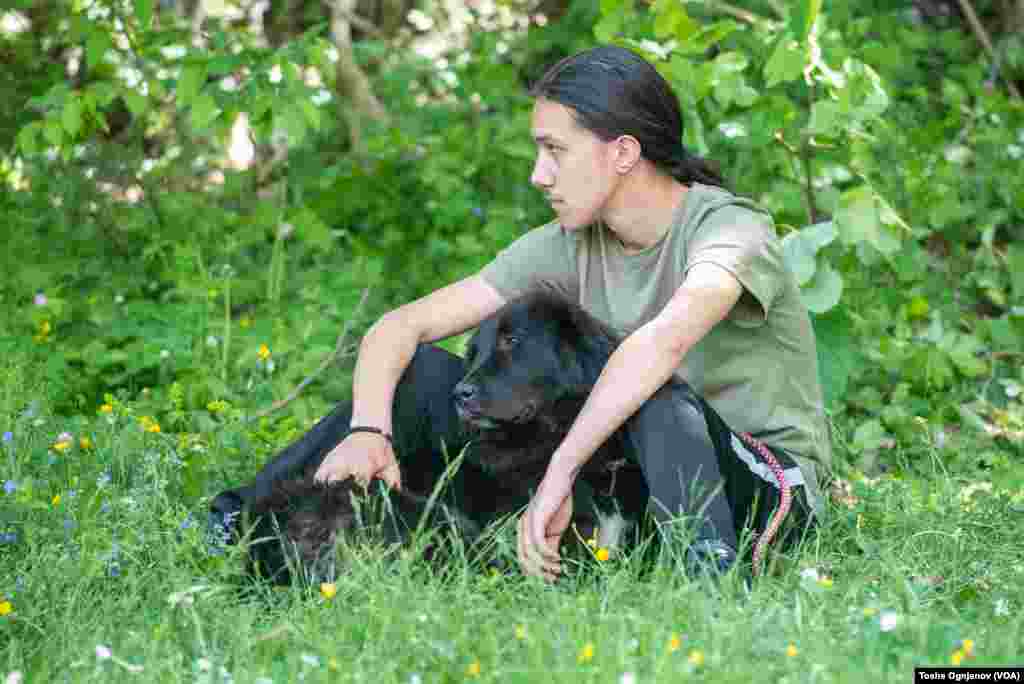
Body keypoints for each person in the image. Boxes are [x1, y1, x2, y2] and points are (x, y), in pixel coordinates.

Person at [313, 45, 832, 581]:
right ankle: (249, 517)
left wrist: (562, 467)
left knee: (657, 395)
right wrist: (368, 429)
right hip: (630, 473)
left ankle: (712, 581)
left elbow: (661, 346)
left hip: (763, 484)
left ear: (623, 153)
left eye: (555, 150)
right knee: (423, 373)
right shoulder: (570, 244)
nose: (540, 175)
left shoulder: (729, 230)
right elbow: (400, 326)